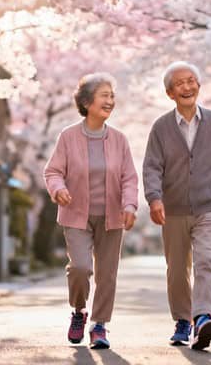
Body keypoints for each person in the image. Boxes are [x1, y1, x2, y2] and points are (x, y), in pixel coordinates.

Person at [142, 61, 211, 350]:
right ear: (170, 93)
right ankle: (182, 320)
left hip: (210, 205)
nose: (187, 87)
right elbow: (152, 167)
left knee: (206, 260)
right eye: (180, 83)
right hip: (173, 209)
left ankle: (203, 317)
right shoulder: (161, 127)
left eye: (192, 81)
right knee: (177, 269)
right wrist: (154, 198)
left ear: (198, 86)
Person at [44, 72, 138, 350]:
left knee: (107, 273)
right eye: (104, 96)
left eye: (112, 96)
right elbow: (53, 171)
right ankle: (79, 311)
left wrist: (130, 204)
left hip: (111, 217)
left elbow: (129, 177)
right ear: (86, 102)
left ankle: (99, 325)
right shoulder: (68, 136)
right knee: (80, 268)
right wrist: (58, 189)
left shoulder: (119, 139)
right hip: (76, 214)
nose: (110, 101)